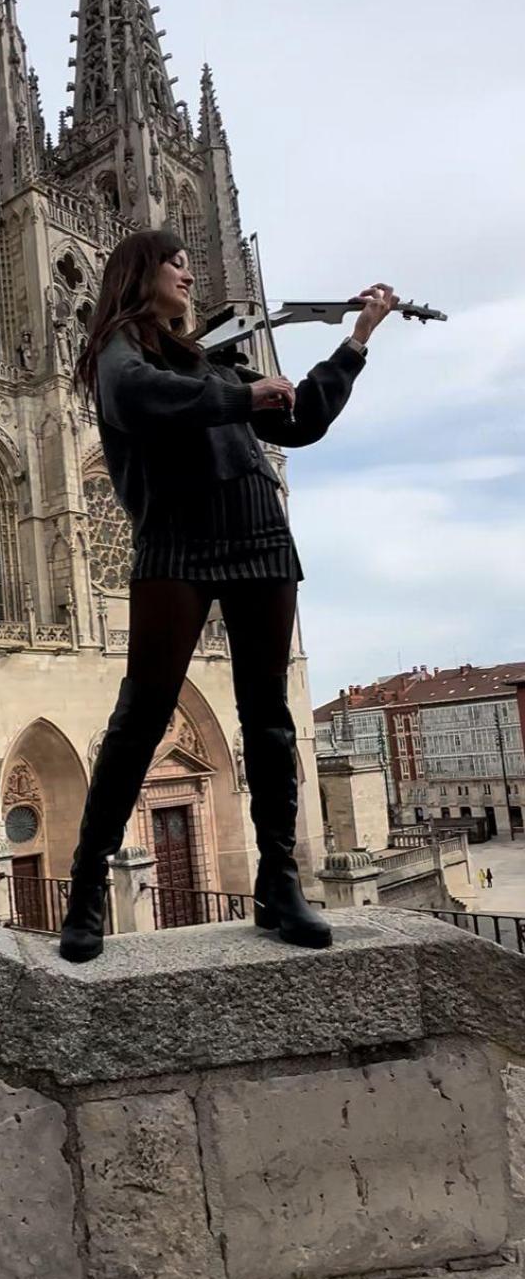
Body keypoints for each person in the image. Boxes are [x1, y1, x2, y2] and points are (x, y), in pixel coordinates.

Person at [59, 228, 398, 962]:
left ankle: (279, 882)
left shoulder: (212, 361)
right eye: (175, 263)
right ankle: (85, 891)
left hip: (258, 530)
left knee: (269, 717)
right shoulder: (121, 349)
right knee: (140, 717)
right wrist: (242, 394)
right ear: (140, 273)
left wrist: (357, 340)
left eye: (190, 263)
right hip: (177, 539)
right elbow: (136, 398)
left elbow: (302, 420)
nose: (187, 274)